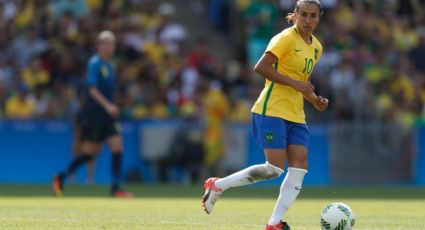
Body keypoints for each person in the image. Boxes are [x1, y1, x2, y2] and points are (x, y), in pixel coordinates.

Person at [201, 1, 328, 229]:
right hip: (271, 109)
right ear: (295, 15)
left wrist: (314, 100)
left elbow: (302, 82)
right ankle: (219, 185)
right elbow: (260, 67)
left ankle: (274, 223)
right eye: (304, 15)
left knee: (300, 166)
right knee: (274, 169)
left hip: (296, 114)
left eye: (313, 16)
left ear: (319, 17)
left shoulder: (316, 47)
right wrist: (296, 84)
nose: (308, 20)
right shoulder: (285, 38)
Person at [52, 30, 133, 198]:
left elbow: (107, 90)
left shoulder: (110, 66)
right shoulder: (94, 64)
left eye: (112, 44)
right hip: (95, 114)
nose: (110, 47)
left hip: (108, 115)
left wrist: (113, 104)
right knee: (90, 153)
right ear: (98, 46)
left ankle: (116, 187)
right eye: (106, 43)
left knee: (117, 146)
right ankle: (61, 176)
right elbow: (92, 89)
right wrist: (108, 106)